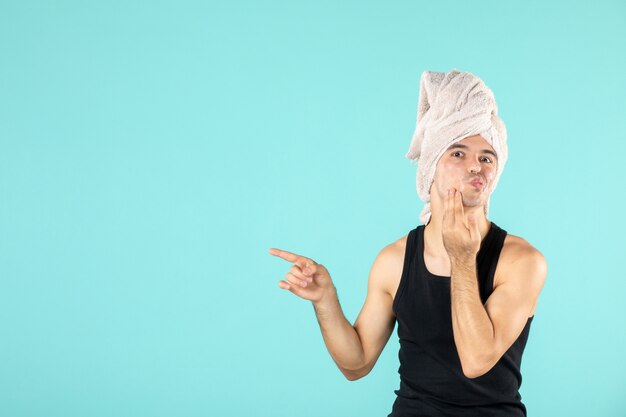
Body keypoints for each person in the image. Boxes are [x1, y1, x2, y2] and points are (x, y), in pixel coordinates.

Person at [268, 69, 547, 416]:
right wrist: (325, 300)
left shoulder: (521, 261)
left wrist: (463, 258)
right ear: (431, 165)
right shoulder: (394, 260)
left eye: (486, 157)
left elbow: (476, 360)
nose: (475, 166)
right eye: (458, 153)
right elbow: (356, 365)